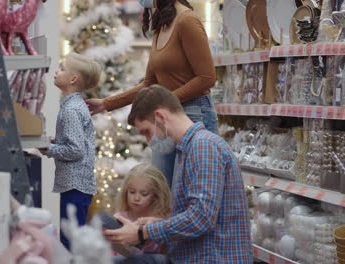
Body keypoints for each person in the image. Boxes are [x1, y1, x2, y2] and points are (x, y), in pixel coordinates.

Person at [105, 85, 252, 263]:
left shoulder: (203, 147)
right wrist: (157, 223)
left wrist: (143, 233)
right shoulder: (189, 150)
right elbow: (197, 213)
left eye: (147, 131)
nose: (148, 140)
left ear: (160, 117)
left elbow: (200, 218)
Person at [85, 0, 218, 187]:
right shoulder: (161, 24)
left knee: (191, 191)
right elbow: (149, 83)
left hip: (193, 115)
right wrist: (106, 104)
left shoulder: (187, 21)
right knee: (162, 191)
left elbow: (206, 78)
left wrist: (166, 101)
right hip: (165, 116)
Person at [40, 52, 101, 250]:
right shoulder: (74, 106)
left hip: (75, 186)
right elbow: (76, 141)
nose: (57, 71)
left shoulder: (71, 110)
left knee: (70, 241)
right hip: (75, 185)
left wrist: (49, 149)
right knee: (71, 238)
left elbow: (76, 150)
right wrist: (57, 141)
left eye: (62, 69)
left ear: (73, 79)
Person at [112, 163, 171, 260]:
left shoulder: (160, 221)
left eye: (144, 194)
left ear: (156, 195)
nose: (136, 198)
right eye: (132, 192)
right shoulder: (119, 218)